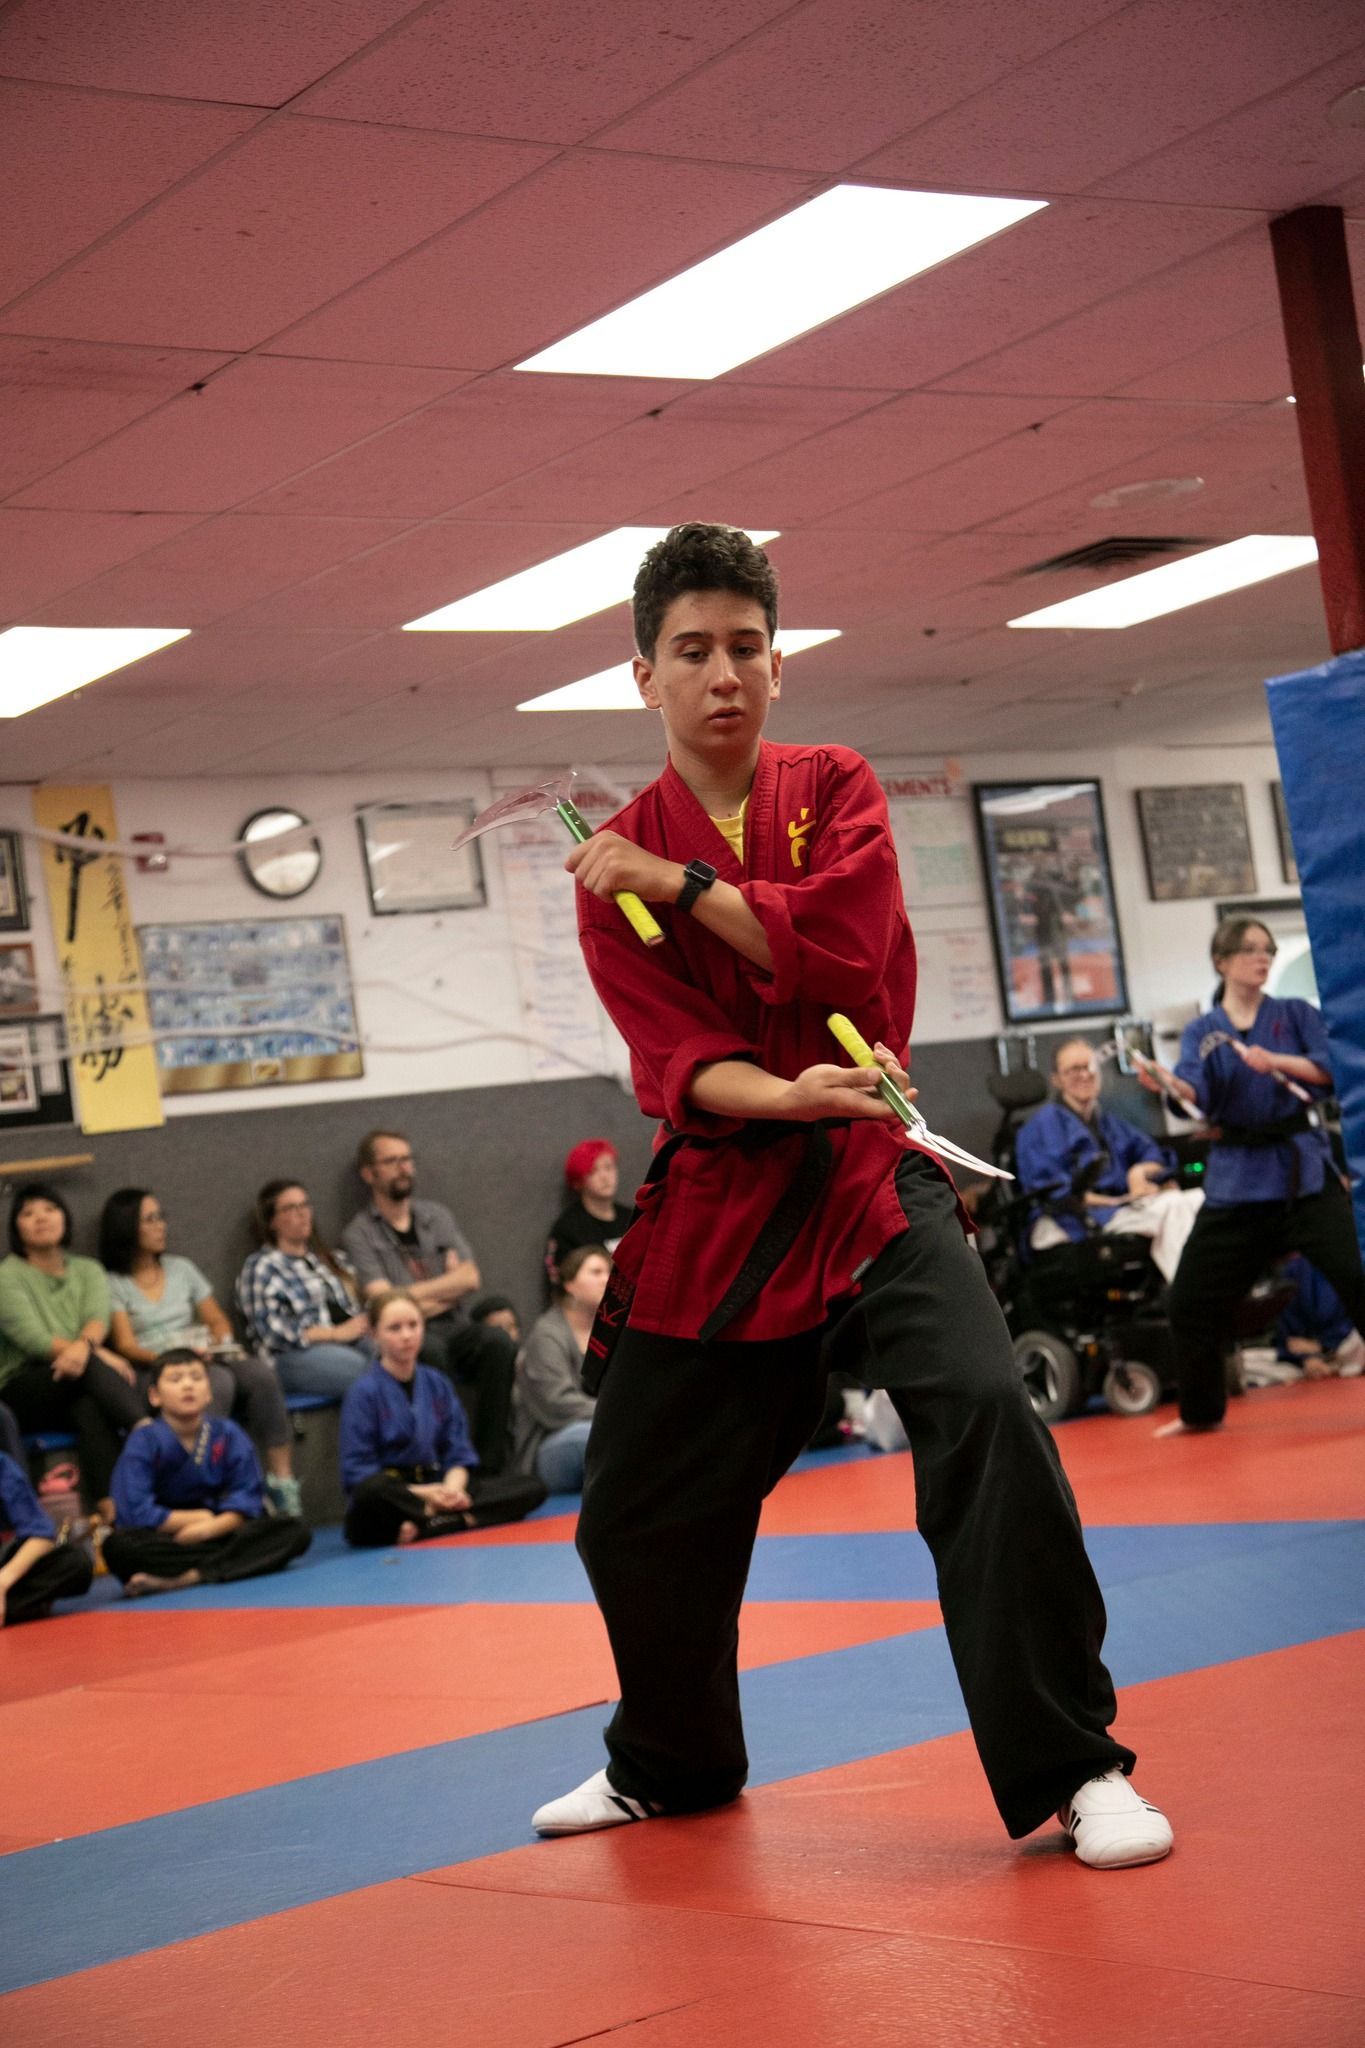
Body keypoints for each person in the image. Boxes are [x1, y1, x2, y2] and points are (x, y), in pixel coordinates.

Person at [529, 523, 1170, 1871]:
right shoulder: (611, 867)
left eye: (746, 648)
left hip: (872, 1173)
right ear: (642, 673)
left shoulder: (835, 786)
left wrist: (686, 882)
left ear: (777, 661)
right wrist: (783, 1088)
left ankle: (1077, 1765)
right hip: (723, 1195)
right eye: (691, 651)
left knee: (990, 1412)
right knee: (631, 1508)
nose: (723, 675)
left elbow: (845, 946)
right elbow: (678, 1065)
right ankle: (671, 1760)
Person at [1139, 916, 1365, 1437]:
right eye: (1249, 950)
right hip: (1238, 1184)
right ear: (1221, 962)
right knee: (1190, 1301)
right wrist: (1170, 1083)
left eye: (1266, 949)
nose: (1262, 958)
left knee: (1358, 1276)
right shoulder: (1204, 1031)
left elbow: (1331, 1069)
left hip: (1302, 1176)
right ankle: (1199, 1413)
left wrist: (1276, 1060)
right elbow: (1193, 1093)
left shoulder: (1295, 1014)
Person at [99, 1187, 302, 1516]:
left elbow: (216, 1319)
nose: (161, 1225)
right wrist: (181, 1360)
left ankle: (283, 1481)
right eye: (150, 1219)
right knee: (217, 1382)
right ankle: (213, 1482)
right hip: (155, 1365)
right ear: (126, 1227)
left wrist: (218, 1340)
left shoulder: (181, 1268)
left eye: (161, 1217)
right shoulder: (112, 1282)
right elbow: (125, 1345)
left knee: (259, 1374)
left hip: (202, 1354)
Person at [341, 1130, 515, 1472]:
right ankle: (447, 1464)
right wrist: (445, 1289)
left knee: (498, 1342)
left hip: (456, 1324)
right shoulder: (359, 1232)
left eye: (407, 1159)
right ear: (368, 1173)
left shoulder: (437, 1216)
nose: (403, 1168)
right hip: (407, 1333)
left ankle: (490, 1466)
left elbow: (471, 1278)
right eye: (391, 1161)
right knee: (427, 1350)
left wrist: (412, 1296)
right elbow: (383, 1302)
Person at [339, 1290, 545, 1546]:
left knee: (531, 1487)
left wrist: (452, 1490)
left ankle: (431, 1524)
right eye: (394, 1328)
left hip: (438, 1484)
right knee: (369, 1496)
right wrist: (426, 1495)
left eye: (413, 1325)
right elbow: (358, 1473)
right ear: (374, 1334)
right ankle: (458, 1519)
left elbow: (457, 1450)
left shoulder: (436, 1383)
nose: (406, 1336)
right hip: (398, 1494)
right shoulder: (363, 1391)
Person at [103, 1349, 311, 1597]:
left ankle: (190, 1577)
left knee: (293, 1531)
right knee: (119, 1548)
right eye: (176, 1379)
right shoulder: (144, 1441)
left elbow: (247, 1497)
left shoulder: (227, 1433)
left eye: (196, 1377)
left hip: (219, 1529)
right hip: (169, 1538)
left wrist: (207, 1530)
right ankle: (227, 1565)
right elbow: (135, 1510)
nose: (188, 1385)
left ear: (209, 1392)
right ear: (155, 1396)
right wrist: (194, 1520)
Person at [0, 1183, 144, 1521]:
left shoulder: (87, 1269)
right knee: (88, 1375)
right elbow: (34, 1339)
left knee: (89, 1408)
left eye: (50, 1209)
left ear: (64, 1218)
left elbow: (97, 1320)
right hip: (23, 1385)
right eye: (28, 1213)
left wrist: (87, 1349)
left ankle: (114, 1515)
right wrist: (95, 1354)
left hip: (76, 1380)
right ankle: (148, 1432)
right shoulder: (6, 1276)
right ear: (16, 1228)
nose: (41, 1218)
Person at [1016, 1039, 1201, 1282]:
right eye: (1073, 1069)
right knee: (1174, 1206)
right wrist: (1120, 1199)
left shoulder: (1109, 1124)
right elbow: (1056, 1193)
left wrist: (1138, 1173)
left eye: (1090, 1066)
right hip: (1076, 1220)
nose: (1084, 1075)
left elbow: (1154, 1155)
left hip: (1121, 1210)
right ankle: (1189, 1299)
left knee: (1200, 1199)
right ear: (1057, 1080)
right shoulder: (1041, 1129)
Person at [237, 1179, 372, 1398]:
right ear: (271, 1221)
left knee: (394, 1357)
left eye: (305, 1205)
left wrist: (372, 1322)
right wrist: (334, 1334)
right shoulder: (262, 1266)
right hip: (293, 1355)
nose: (302, 1213)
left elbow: (362, 1301)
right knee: (363, 1372)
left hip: (352, 1339)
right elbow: (271, 1334)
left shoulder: (331, 1259)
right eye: (291, 1208)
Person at [513, 1246, 609, 1492]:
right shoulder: (547, 1335)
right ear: (569, 1284)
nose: (606, 1279)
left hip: (598, 1421)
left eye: (609, 1272)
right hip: (549, 1441)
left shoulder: (610, 1331)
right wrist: (616, 1413)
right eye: (596, 1272)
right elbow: (557, 1403)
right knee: (598, 1435)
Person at [1, 1447, 93, 1623]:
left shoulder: (2, 1465)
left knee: (75, 1561)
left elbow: (41, 1534)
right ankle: (20, 1606)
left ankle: (14, 1604)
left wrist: (3, 1581)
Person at [544, 1141, 634, 1289]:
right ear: (578, 1182)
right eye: (593, 1171)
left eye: (608, 1167)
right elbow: (559, 1282)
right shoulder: (568, 1228)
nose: (604, 1177)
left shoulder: (633, 1218)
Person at [1275, 1254, 1364, 1379]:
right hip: (1306, 1357)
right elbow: (1291, 1338)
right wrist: (1307, 1357)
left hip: (1347, 1345)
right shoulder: (1295, 1269)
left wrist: (1324, 1345)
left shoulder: (1353, 1261)